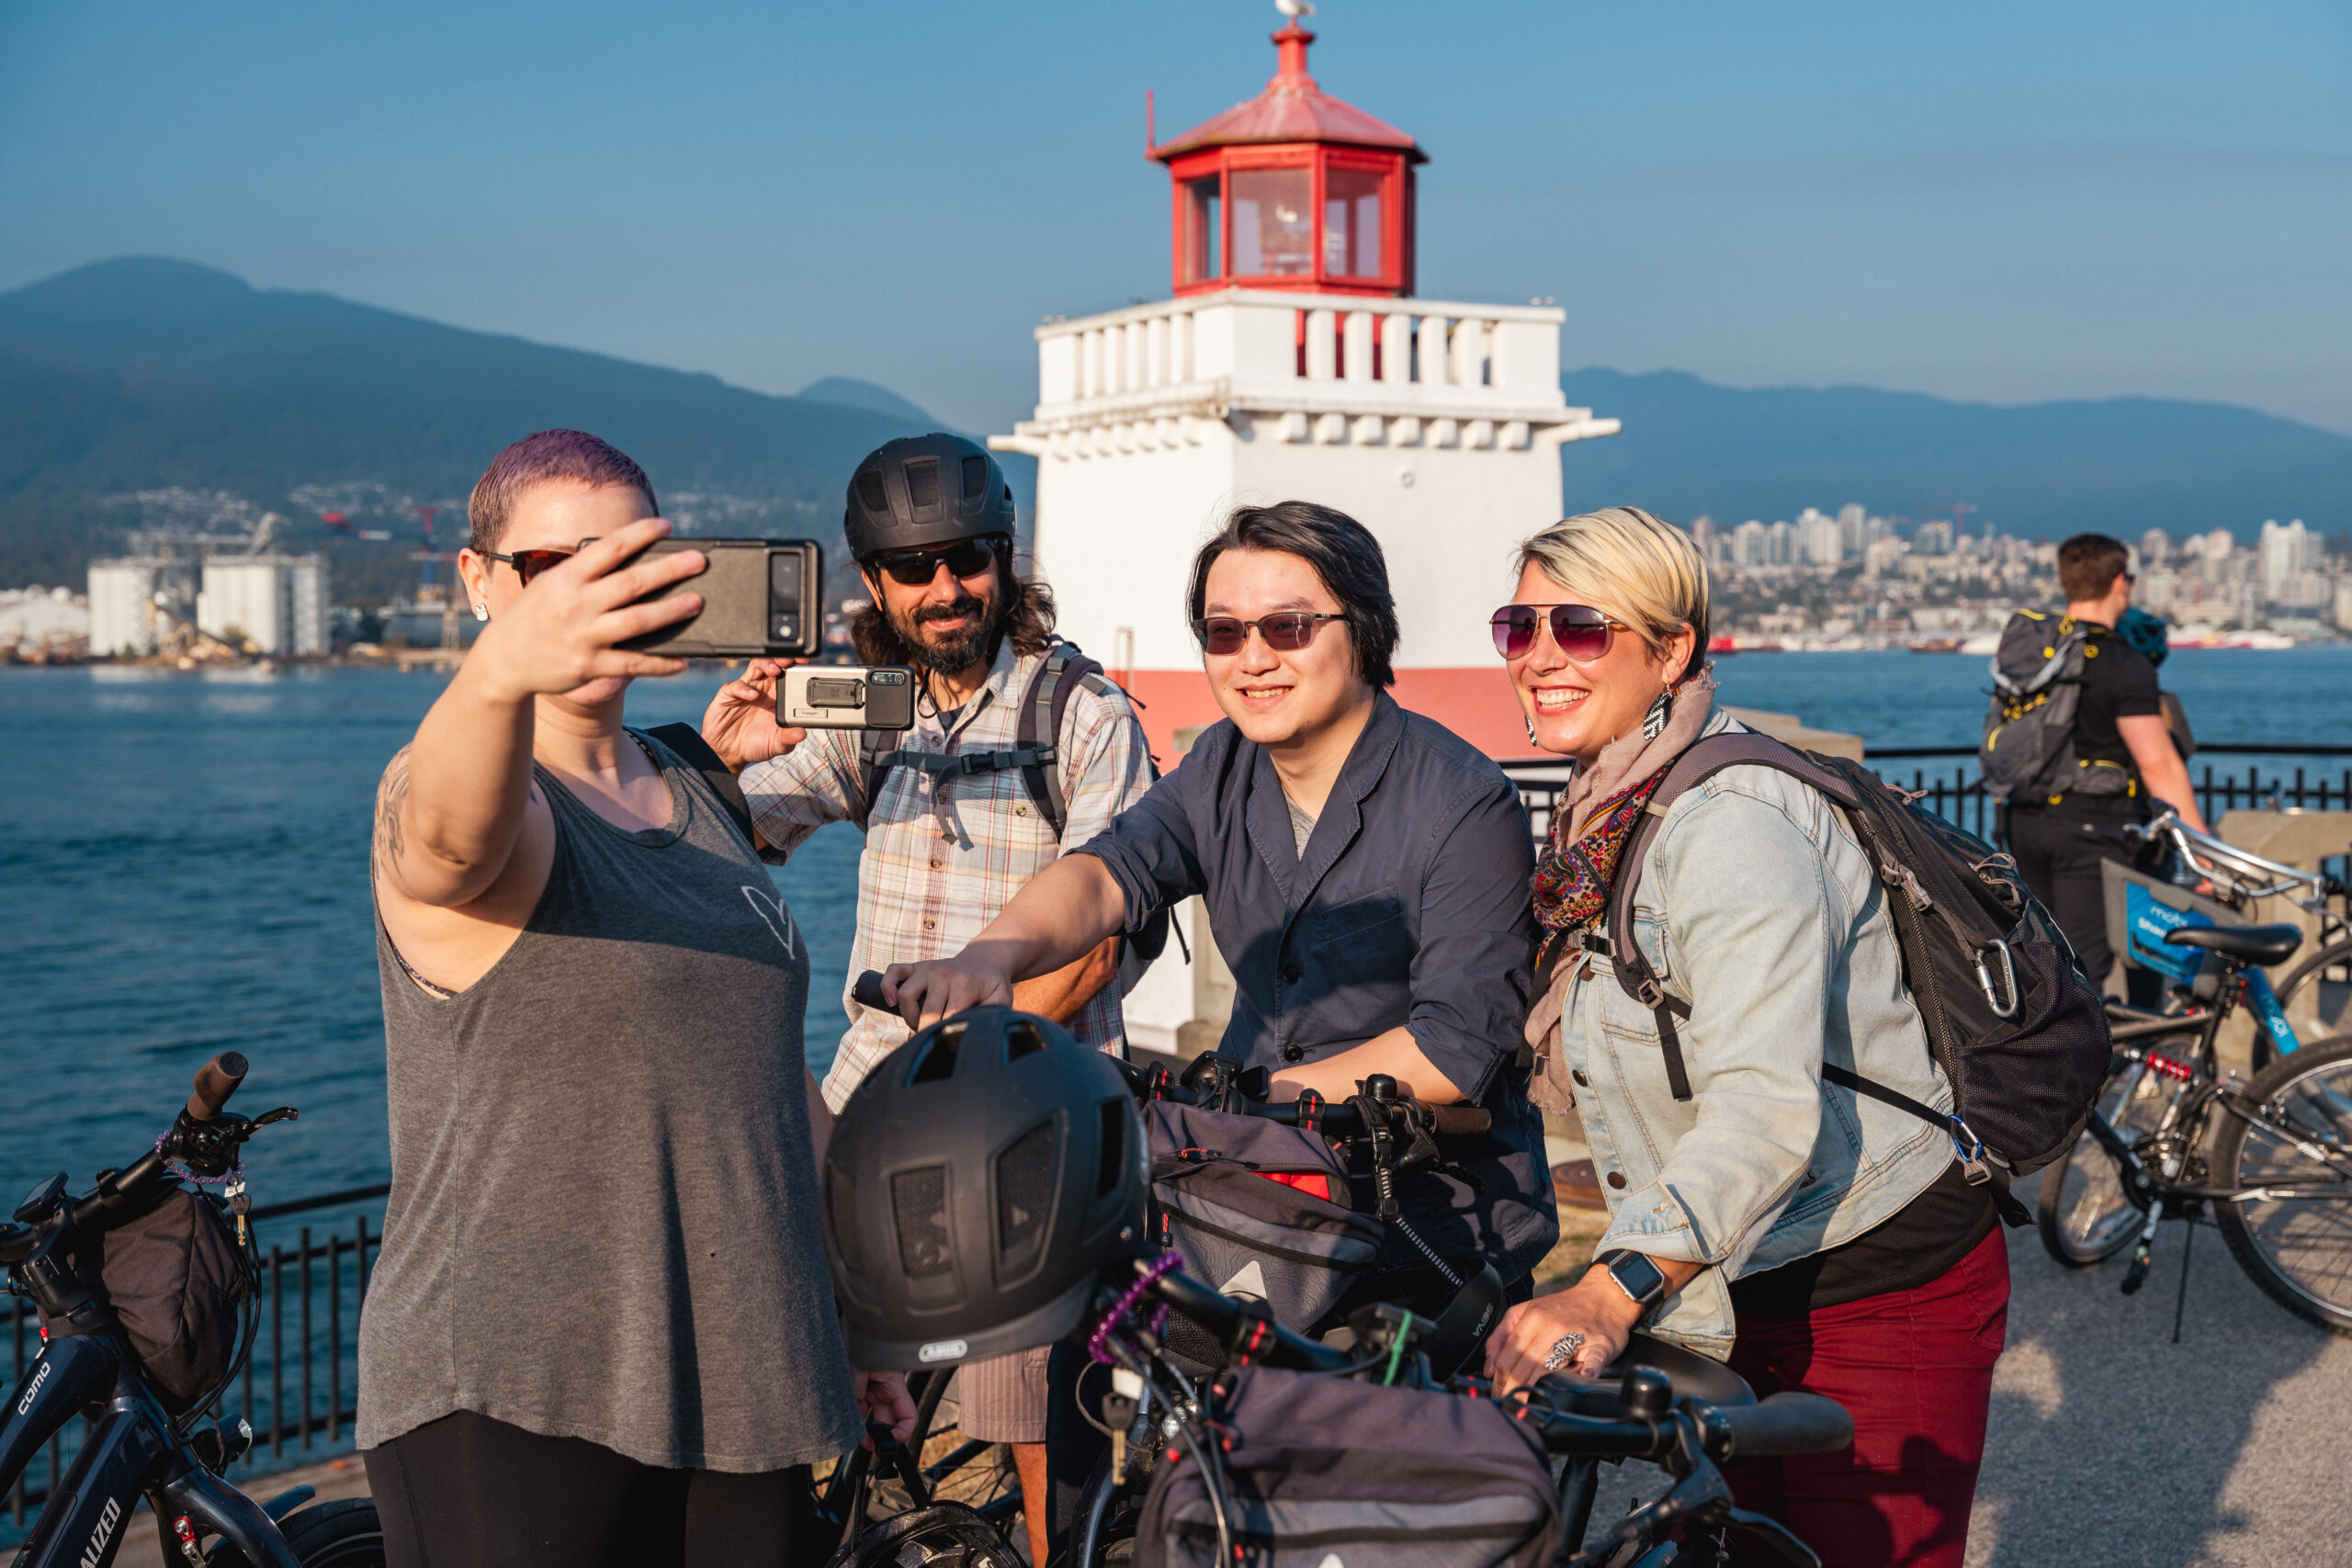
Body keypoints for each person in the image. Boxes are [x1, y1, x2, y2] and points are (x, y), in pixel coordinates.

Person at [883, 499, 1560, 1543]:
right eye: (1222, 631)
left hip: (1414, 1212)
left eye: (1287, 628)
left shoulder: (1460, 802)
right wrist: (990, 957)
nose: (1252, 658)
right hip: (1246, 1189)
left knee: (1335, 1509)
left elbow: (1452, 1049)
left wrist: (1241, 1102)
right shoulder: (1221, 767)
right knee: (1085, 1352)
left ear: (1362, 631)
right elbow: (1110, 874)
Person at [359, 430, 911, 1568]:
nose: (589, 599)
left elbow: (760, 1077)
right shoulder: (461, 789)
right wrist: (505, 669)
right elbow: (449, 843)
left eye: (624, 564)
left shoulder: (698, 791)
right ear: (477, 584)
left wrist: (859, 1311)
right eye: (551, 568)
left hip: (749, 1387)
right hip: (519, 1390)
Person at [1481, 508, 2007, 1568]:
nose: (1539, 656)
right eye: (1517, 626)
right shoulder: (1607, 811)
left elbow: (1764, 1110)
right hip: (1733, 1270)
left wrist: (1606, 1285)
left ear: (1670, 648)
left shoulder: (1726, 824)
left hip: (1874, 1273)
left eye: (1579, 628)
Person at [697, 433, 1153, 1568]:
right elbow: (733, 841)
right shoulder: (878, 713)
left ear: (1005, 561)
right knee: (769, 1363)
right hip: (869, 1114)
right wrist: (720, 766)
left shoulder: (1082, 718)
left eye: (967, 559)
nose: (945, 589)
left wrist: (972, 1086)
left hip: (1024, 1127)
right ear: (875, 586)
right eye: (915, 568)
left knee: (1032, 1419)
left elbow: (1101, 933)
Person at [2000, 534, 2211, 998]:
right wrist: (2206, 854)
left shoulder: (2038, 654)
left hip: (2024, 821)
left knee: (2038, 961)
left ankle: (2031, 1063)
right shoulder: (2123, 662)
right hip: (2090, 830)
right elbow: (2158, 764)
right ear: (2121, 582)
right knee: (2082, 973)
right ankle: (2077, 1067)